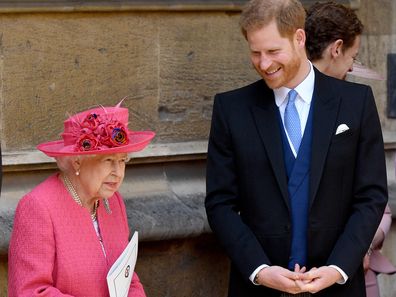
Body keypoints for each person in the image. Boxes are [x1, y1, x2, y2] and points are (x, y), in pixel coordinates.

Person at [205, 0, 388, 296]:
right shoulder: (231, 109)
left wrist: (338, 268)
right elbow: (220, 203)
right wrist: (260, 270)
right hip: (258, 288)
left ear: (299, 38)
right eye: (255, 53)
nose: (264, 63)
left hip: (338, 287)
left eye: (273, 51)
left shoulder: (356, 102)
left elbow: (371, 196)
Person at [8, 100, 155, 297]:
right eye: (109, 160)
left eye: (122, 161)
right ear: (77, 162)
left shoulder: (113, 201)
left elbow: (127, 276)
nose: (118, 172)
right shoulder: (38, 208)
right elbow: (30, 291)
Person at [305, 2, 396, 297]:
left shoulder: (358, 101)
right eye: (352, 58)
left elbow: (374, 195)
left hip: (351, 269)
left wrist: (361, 244)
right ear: (337, 48)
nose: (351, 68)